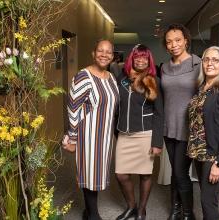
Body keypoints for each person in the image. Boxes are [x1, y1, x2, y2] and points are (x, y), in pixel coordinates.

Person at [62, 39, 119, 220]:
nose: (104, 55)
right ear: (93, 53)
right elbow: (72, 109)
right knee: (90, 174)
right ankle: (93, 214)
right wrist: (72, 138)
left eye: (108, 52)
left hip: (105, 136)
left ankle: (88, 211)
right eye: (100, 51)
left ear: (112, 56)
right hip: (88, 135)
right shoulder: (83, 76)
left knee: (98, 174)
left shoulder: (111, 78)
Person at [187, 46, 219, 220]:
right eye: (206, 59)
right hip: (199, 151)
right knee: (207, 197)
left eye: (215, 60)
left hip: (213, 155)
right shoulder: (202, 87)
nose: (210, 63)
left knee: (208, 201)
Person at [115, 44, 163, 220]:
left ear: (149, 60)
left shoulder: (153, 81)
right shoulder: (123, 78)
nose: (141, 60)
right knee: (121, 174)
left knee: (145, 174)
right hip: (124, 134)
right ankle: (131, 206)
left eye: (144, 57)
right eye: (137, 56)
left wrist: (157, 142)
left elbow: (159, 113)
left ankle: (142, 210)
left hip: (145, 134)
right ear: (132, 59)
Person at [161, 23, 201, 220]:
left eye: (177, 40)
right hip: (169, 128)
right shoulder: (164, 67)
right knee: (175, 172)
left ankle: (188, 214)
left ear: (186, 40)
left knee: (180, 171)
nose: (173, 44)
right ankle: (175, 210)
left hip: (188, 128)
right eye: (169, 41)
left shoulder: (198, 64)